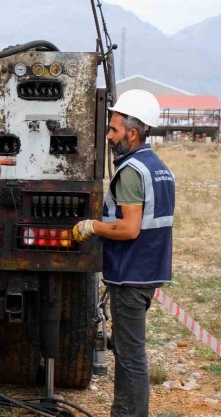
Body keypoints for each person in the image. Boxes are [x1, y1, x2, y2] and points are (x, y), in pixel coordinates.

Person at [72, 89, 175, 417]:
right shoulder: (158, 167)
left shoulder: (131, 171)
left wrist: (93, 226)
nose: (108, 136)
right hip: (148, 270)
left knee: (130, 356)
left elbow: (130, 228)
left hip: (131, 273)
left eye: (114, 130)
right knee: (131, 353)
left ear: (133, 133)